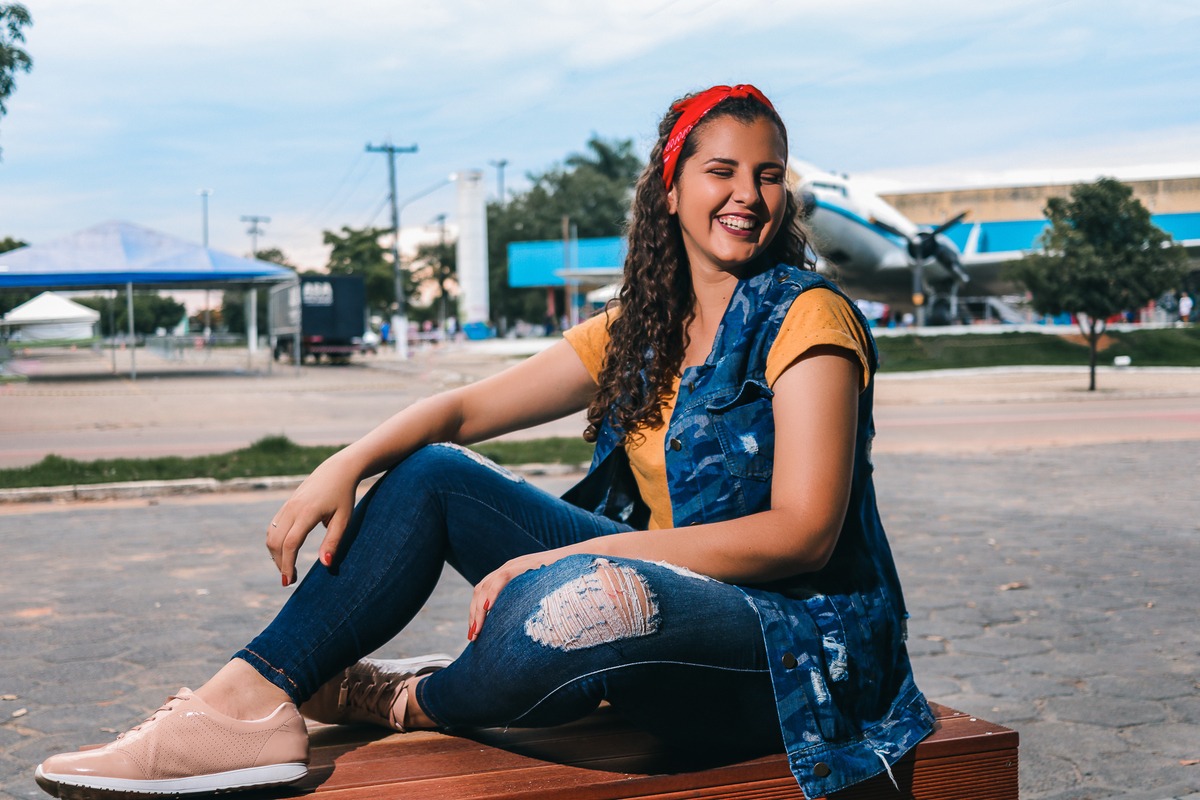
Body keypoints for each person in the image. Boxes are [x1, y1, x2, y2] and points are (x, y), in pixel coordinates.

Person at [34, 85, 932, 799]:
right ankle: (247, 704)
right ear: (671, 188)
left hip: (795, 649)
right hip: (656, 592)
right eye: (721, 171)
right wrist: (347, 462)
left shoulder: (808, 318)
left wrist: (566, 570)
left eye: (769, 175)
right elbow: (461, 411)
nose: (748, 195)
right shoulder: (645, 328)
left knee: (587, 608)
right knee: (433, 476)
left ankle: (403, 697)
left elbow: (801, 533)